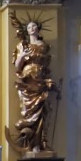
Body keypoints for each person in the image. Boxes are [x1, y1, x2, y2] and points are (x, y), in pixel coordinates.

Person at [11, 19, 57, 153]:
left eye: (34, 26)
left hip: (40, 79)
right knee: (29, 111)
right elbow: (17, 65)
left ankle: (40, 143)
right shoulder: (23, 45)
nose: (32, 28)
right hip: (27, 80)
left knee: (42, 110)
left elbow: (46, 65)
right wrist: (22, 56)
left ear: (38, 28)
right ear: (26, 30)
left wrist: (48, 80)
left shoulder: (43, 46)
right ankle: (31, 142)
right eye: (29, 27)